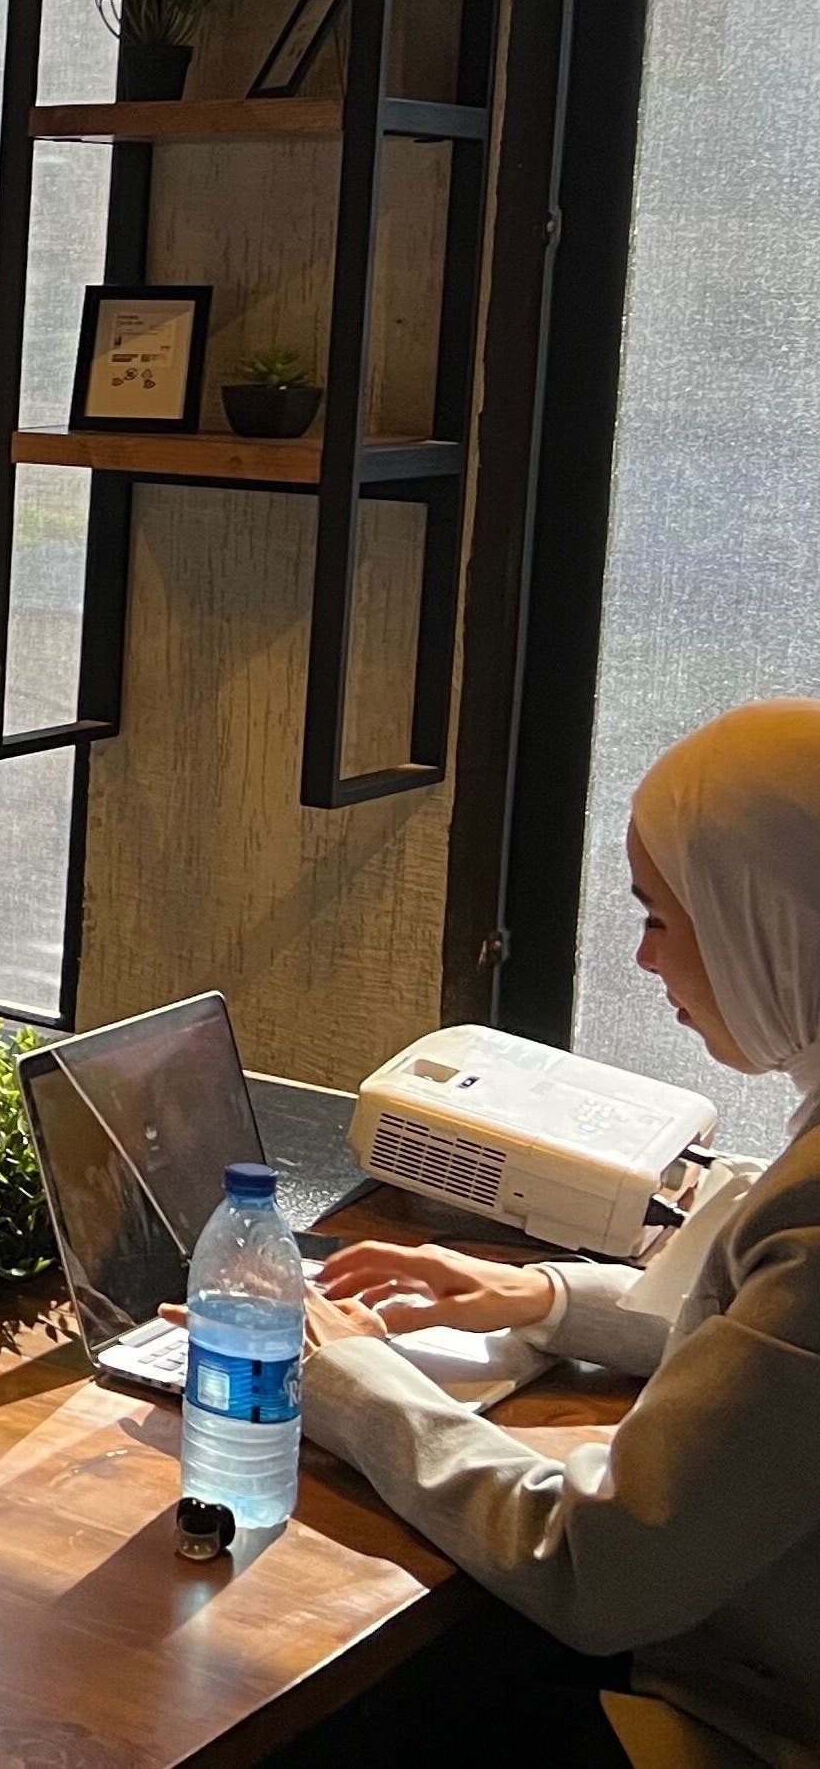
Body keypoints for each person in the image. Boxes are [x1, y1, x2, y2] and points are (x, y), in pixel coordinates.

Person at [297, 700, 820, 1768]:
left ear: (770, 916)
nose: (642, 959)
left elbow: (595, 1566)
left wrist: (348, 1381)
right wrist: (547, 1297)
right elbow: (772, 1361)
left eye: (661, 918)